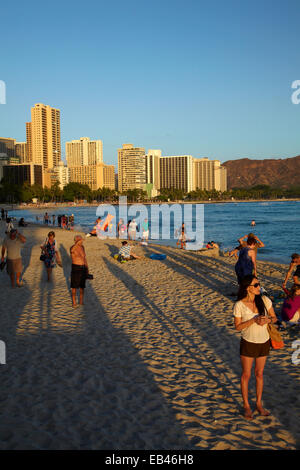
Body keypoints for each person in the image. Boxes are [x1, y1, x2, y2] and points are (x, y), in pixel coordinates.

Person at [233, 274, 277, 419]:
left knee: (259, 374)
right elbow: (238, 327)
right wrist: (253, 320)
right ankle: (246, 405)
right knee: (246, 375)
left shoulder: (264, 300)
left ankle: (258, 404)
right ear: (248, 288)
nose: (259, 287)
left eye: (259, 284)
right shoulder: (239, 305)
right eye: (256, 285)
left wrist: (267, 320)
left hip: (264, 342)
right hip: (248, 342)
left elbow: (275, 318)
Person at [70, 235, 89, 307]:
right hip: (76, 268)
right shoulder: (73, 247)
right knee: (74, 286)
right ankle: (74, 302)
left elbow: (84, 258)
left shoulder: (82, 247)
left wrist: (87, 268)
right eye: (80, 240)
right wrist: (77, 243)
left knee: (82, 286)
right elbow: (72, 251)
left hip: (83, 267)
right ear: (76, 240)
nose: (82, 242)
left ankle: (81, 301)